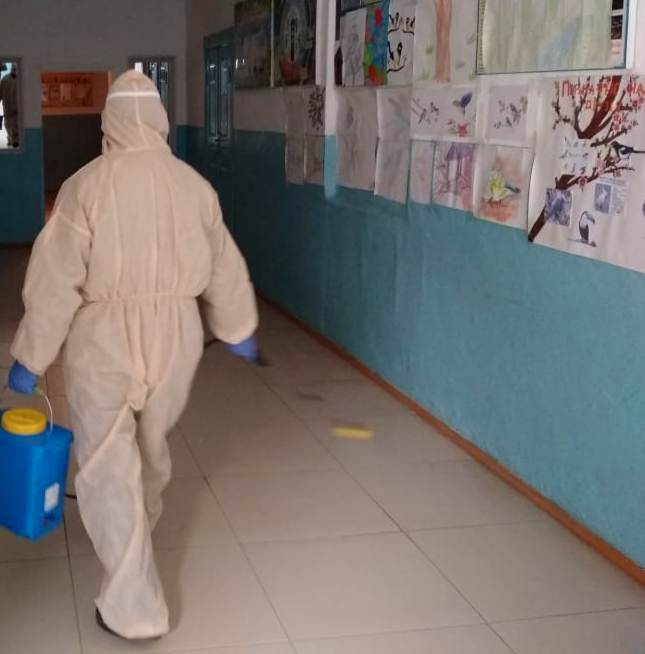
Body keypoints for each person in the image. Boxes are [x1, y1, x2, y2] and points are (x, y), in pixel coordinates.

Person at [6, 70, 258, 640]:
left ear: (110, 121)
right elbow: (224, 263)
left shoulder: (86, 187)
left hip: (105, 340)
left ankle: (134, 605)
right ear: (161, 119)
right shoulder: (193, 185)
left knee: (106, 464)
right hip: (176, 337)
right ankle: (136, 533)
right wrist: (238, 325)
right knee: (150, 449)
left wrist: (31, 357)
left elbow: (55, 282)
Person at [0, 64, 19, 147]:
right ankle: (12, 140)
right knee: (11, 125)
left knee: (11, 125)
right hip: (11, 108)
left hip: (11, 108)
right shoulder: (5, 79)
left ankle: (13, 140)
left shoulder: (5, 79)